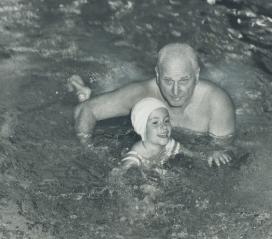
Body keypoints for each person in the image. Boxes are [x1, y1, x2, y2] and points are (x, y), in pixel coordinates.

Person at [68, 43, 235, 165]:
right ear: (157, 75)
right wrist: (87, 149)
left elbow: (222, 153)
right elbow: (86, 109)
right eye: (168, 81)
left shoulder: (216, 103)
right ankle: (85, 93)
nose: (176, 91)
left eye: (184, 80)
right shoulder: (142, 93)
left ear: (197, 76)